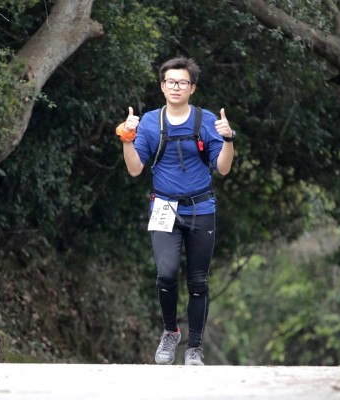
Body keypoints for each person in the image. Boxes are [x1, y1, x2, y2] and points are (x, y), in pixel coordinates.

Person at [116, 57, 236, 366]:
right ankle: (170, 331)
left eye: (183, 82)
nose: (176, 87)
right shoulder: (150, 123)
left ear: (192, 88)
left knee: (198, 281)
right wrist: (127, 138)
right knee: (166, 272)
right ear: (162, 86)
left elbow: (223, 168)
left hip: (201, 207)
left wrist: (227, 139)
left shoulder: (206, 121)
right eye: (171, 82)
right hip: (164, 206)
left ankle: (194, 347)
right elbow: (134, 169)